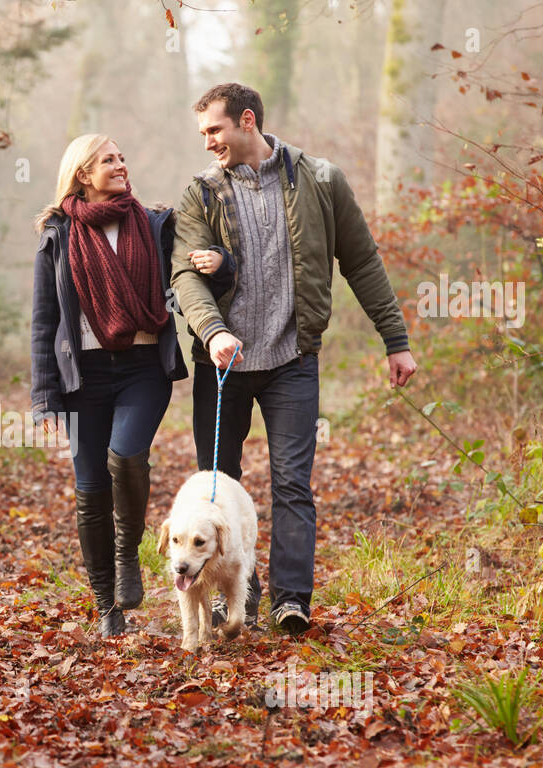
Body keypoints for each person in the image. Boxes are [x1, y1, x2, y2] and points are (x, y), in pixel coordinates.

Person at [171, 83, 419, 636]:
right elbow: (185, 276)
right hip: (223, 365)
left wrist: (394, 339)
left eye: (215, 130)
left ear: (248, 121)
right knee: (219, 488)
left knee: (292, 485)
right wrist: (211, 332)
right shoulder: (200, 195)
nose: (208, 142)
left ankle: (290, 600)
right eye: (203, 133)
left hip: (291, 361)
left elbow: (362, 261)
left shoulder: (320, 180)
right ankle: (230, 601)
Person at [31, 134, 229, 638]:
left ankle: (128, 550)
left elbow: (189, 279)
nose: (121, 165)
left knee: (125, 456)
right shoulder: (57, 233)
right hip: (83, 377)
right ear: (82, 174)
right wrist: (45, 394)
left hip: (143, 367)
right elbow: (43, 319)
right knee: (90, 489)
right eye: (108, 160)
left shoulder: (154, 223)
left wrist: (217, 266)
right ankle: (106, 606)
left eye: (121, 158)